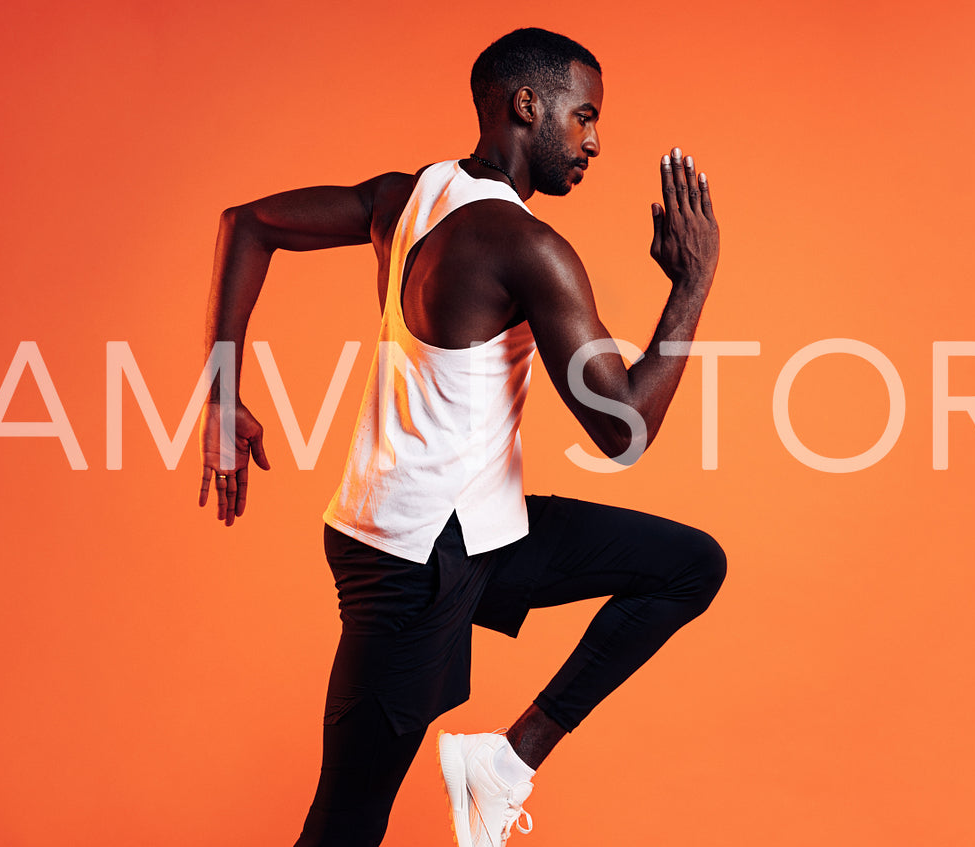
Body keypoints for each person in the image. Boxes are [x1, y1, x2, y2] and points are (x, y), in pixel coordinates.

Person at [196, 27, 725, 847]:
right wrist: (690, 287)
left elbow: (248, 224)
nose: (594, 140)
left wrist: (223, 395)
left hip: (479, 528)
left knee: (688, 565)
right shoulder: (527, 247)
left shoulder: (407, 196)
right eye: (582, 117)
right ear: (527, 106)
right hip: (412, 561)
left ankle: (503, 764)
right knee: (344, 826)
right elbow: (621, 427)